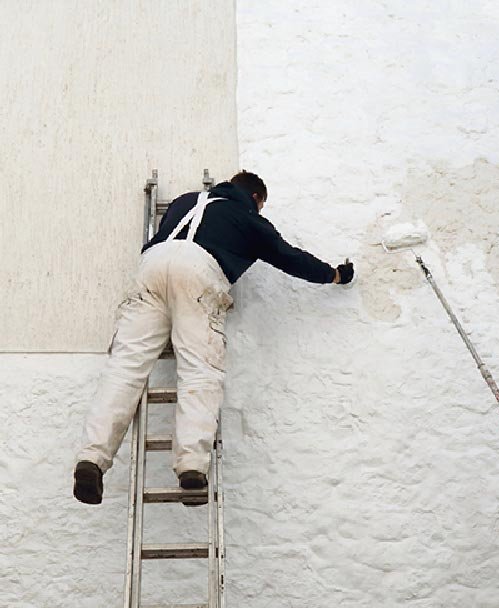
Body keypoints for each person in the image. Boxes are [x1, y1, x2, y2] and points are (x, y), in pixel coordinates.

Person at [73, 170, 353, 506]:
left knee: (126, 369)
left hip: (151, 265)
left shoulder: (183, 202)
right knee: (199, 371)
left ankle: (92, 460)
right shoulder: (248, 218)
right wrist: (334, 274)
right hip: (199, 273)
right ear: (256, 199)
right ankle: (191, 466)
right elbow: (288, 256)